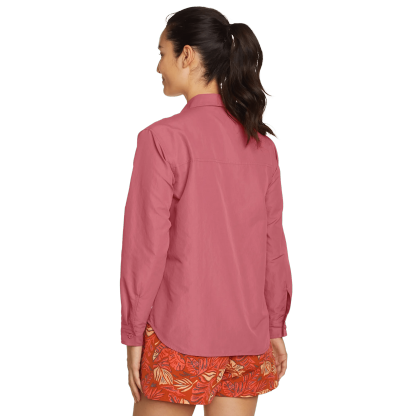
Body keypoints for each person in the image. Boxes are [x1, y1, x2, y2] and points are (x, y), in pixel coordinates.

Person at [119, 6, 293, 416]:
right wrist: (274, 326)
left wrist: (133, 333)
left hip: (177, 336)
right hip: (247, 339)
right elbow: (273, 247)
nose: (158, 66)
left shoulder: (161, 139)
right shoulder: (262, 147)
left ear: (187, 55)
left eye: (162, 53)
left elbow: (146, 248)